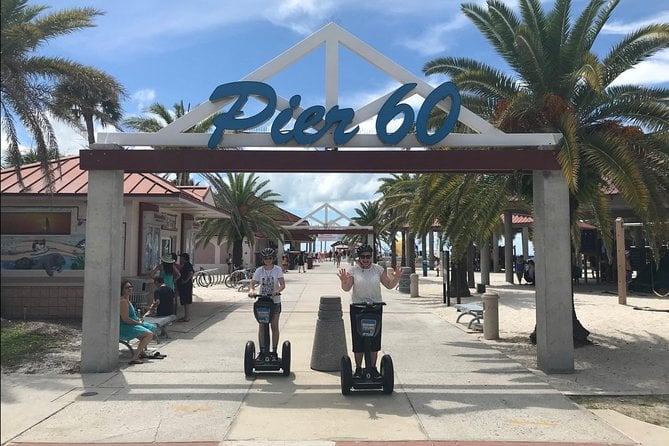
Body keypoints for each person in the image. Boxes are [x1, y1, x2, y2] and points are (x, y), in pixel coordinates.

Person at [337, 244, 402, 379]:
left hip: (375, 307)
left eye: (368, 257)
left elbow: (389, 285)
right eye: (363, 257)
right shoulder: (353, 270)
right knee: (359, 339)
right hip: (358, 308)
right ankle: (359, 369)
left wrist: (396, 278)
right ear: (359, 258)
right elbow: (347, 288)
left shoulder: (377, 269)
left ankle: (373, 368)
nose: (366, 260)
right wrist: (344, 281)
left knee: (374, 339)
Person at [248, 247, 286, 360]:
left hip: (274, 302)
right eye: (265, 258)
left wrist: (277, 291)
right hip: (262, 301)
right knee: (262, 326)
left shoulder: (277, 269)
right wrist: (251, 290)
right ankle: (262, 351)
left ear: (273, 258)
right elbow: (253, 282)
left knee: (274, 326)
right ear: (263, 259)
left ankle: (273, 352)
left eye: (270, 258)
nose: (268, 260)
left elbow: (282, 284)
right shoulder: (259, 270)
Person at [119, 280, 156, 365]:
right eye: (127, 288)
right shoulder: (123, 302)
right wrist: (137, 323)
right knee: (148, 334)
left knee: (151, 327)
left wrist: (139, 320)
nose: (129, 289)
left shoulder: (128, 300)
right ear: (122, 290)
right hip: (125, 326)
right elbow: (125, 319)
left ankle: (141, 351)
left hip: (132, 323)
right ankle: (135, 357)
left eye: (130, 287)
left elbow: (133, 316)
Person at [176, 253, 195, 322]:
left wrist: (185, 281)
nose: (180, 259)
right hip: (183, 286)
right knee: (184, 301)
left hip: (186, 286)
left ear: (184, 258)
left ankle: (187, 316)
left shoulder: (188, 265)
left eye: (181, 258)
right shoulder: (184, 265)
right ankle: (186, 316)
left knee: (186, 301)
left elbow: (191, 273)